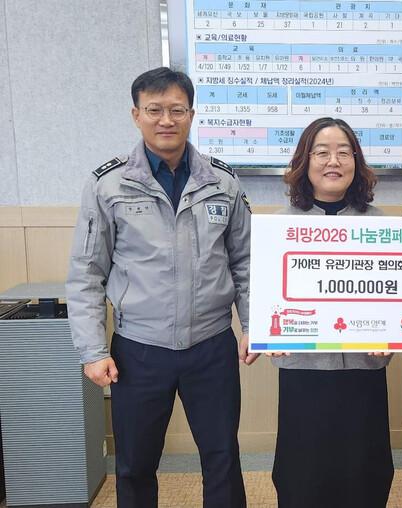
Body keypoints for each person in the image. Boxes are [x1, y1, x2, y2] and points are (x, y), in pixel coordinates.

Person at [65, 67, 256, 508]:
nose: (165, 120)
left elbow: (245, 262)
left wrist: (253, 325)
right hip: (139, 350)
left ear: (192, 114)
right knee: (135, 464)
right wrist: (92, 350)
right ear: (136, 115)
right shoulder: (108, 184)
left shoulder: (223, 182)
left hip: (211, 346)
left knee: (223, 458)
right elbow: (87, 272)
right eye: (154, 110)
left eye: (176, 110)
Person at [270, 117, 394, 508]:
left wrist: (391, 334)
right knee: (303, 479)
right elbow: (263, 292)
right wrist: (267, 331)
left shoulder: (380, 226)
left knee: (365, 476)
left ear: (357, 161)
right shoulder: (279, 228)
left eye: (344, 152)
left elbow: (396, 298)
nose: (333, 161)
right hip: (303, 372)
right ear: (304, 161)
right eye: (321, 152)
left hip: (363, 372)